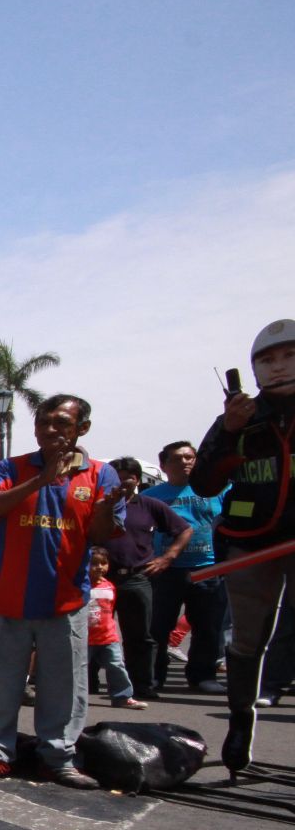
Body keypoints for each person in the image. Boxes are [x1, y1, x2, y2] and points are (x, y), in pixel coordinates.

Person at [0, 395, 123, 788]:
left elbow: (103, 534)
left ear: (82, 428)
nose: (50, 429)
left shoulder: (102, 475)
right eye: (44, 422)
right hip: (5, 596)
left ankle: (58, 758)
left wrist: (105, 510)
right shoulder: (10, 468)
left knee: (65, 686)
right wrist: (41, 479)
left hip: (65, 601)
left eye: (61, 423)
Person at [191, 318, 295, 774]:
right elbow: (204, 482)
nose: (278, 367)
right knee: (247, 639)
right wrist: (231, 432)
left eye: (289, 356)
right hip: (251, 542)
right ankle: (240, 724)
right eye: (267, 360)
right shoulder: (240, 418)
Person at [144, 439, 229, 696]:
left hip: (208, 567)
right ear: (164, 465)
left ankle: (202, 676)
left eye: (190, 458)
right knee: (158, 627)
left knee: (208, 626)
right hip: (166, 570)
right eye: (177, 459)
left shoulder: (220, 491)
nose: (185, 462)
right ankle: (154, 677)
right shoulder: (149, 497)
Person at [102, 456, 191, 698]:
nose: (122, 484)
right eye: (116, 479)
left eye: (128, 478)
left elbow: (184, 530)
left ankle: (141, 686)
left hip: (137, 577)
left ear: (137, 480)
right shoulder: (99, 505)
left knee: (140, 636)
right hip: (100, 579)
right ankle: (88, 686)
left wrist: (168, 557)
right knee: (93, 634)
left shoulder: (149, 506)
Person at [86, 547, 146, 709]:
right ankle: (72, 697)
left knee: (116, 665)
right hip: (84, 638)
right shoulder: (81, 586)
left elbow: (110, 611)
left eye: (103, 563)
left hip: (108, 637)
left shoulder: (109, 586)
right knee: (78, 669)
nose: (99, 567)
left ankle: (122, 696)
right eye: (94, 564)